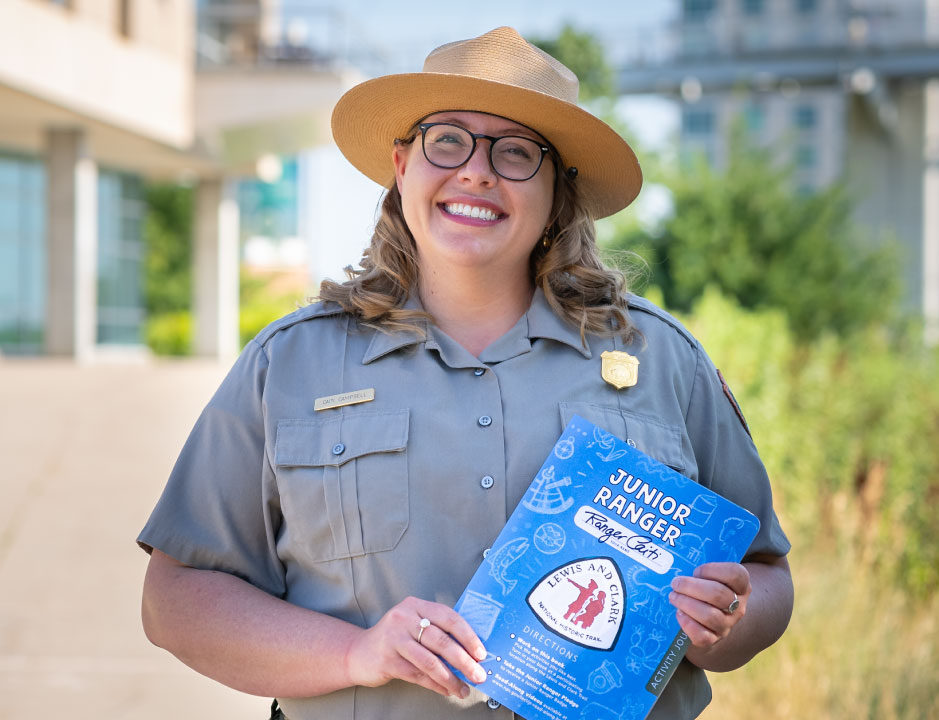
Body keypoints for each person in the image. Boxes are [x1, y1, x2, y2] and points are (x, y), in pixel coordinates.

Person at [138, 26, 793, 720]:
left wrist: (728, 622)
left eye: (516, 153)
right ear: (402, 164)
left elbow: (766, 574)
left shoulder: (663, 359)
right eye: (447, 140)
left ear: (556, 191)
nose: (477, 172)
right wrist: (357, 654)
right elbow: (176, 599)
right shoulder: (290, 364)